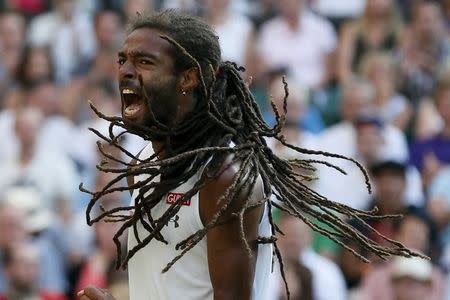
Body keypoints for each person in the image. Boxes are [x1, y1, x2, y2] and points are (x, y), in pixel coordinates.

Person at [78, 10, 421, 300]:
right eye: (122, 59)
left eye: (144, 62)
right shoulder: (144, 164)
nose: (125, 70)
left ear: (188, 77)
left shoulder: (225, 178)